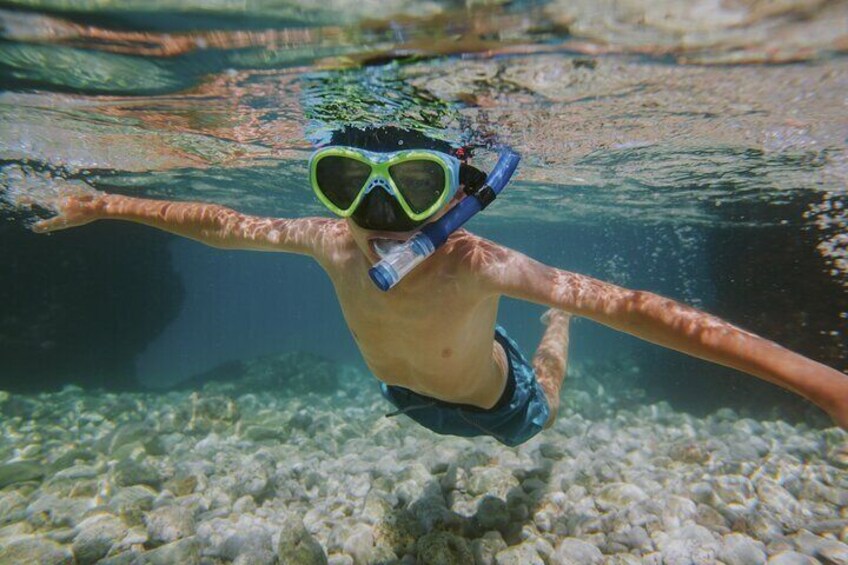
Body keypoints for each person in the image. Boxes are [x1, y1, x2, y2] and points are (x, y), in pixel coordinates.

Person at [31, 126, 848, 446]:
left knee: (546, 405)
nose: (377, 211)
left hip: (500, 400)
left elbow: (642, 310)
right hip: (401, 395)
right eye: (348, 178)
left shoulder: (478, 263)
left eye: (414, 184)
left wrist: (817, 382)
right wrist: (106, 203)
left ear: (456, 196)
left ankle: (554, 331)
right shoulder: (330, 240)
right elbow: (220, 221)